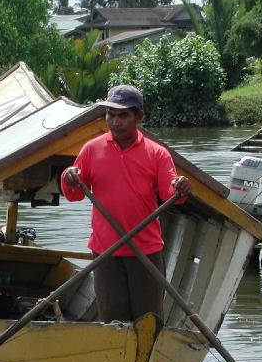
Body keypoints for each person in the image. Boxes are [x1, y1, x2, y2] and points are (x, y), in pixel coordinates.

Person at [60, 84, 192, 323]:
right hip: (106, 251)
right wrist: (69, 177)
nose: (115, 122)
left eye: (123, 115)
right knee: (113, 323)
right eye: (111, 115)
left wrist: (180, 186)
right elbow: (74, 194)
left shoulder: (157, 153)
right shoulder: (92, 149)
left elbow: (172, 194)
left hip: (146, 251)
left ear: (138, 117)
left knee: (149, 322)